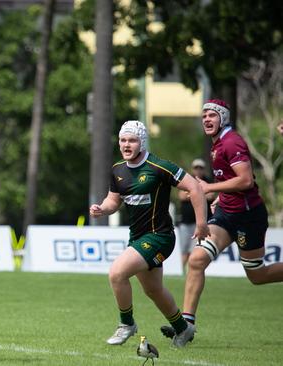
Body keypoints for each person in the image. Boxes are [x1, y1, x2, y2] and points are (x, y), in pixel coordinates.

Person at [161, 100, 283, 339]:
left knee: (257, 275)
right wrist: (220, 195)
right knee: (196, 260)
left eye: (212, 115)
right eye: (204, 115)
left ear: (223, 118)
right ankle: (186, 325)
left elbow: (246, 180)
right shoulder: (217, 144)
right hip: (226, 214)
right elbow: (232, 181)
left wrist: (210, 188)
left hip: (248, 217)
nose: (206, 119)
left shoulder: (231, 142)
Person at [89, 120, 209, 348]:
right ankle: (183, 329)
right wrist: (102, 209)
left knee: (117, 273)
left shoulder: (158, 166)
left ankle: (127, 324)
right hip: (137, 237)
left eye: (132, 140)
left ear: (142, 142)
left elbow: (194, 187)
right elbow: (113, 201)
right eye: (123, 140)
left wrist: (201, 223)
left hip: (160, 237)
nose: (126, 144)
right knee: (153, 290)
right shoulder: (118, 169)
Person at [177, 158, 214, 272]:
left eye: (201, 168)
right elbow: (181, 196)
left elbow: (211, 196)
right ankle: (180, 271)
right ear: (192, 169)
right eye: (196, 168)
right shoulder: (187, 180)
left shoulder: (208, 180)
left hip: (201, 223)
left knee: (195, 250)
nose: (198, 170)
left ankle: (191, 271)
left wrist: (192, 193)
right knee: (184, 250)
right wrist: (200, 192)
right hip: (186, 222)